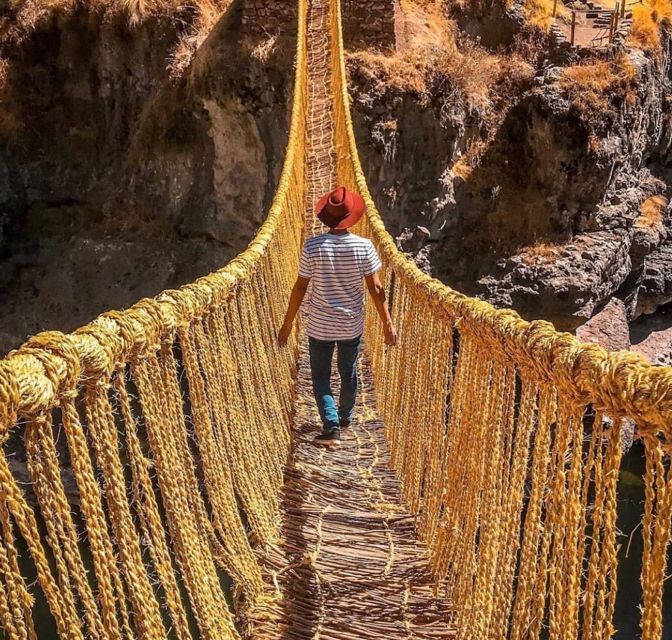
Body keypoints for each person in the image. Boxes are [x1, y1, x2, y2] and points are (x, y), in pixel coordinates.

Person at [277, 186, 397, 446]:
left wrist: (287, 324)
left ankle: (331, 427)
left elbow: (300, 287)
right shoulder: (364, 246)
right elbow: (376, 288)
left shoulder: (312, 246)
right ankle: (344, 417)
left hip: (319, 326)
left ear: (327, 217)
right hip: (350, 324)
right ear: (352, 215)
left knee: (320, 376)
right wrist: (388, 321)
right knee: (348, 371)